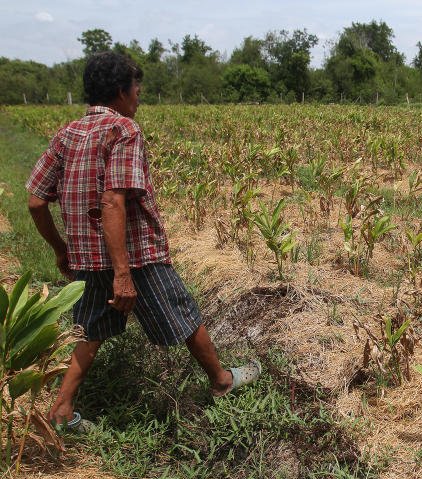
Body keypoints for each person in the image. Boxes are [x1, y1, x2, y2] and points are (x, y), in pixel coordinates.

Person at [26, 51, 260, 428]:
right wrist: (122, 272)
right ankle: (222, 380)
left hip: (86, 257)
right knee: (181, 311)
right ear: (121, 91)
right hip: (134, 255)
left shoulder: (67, 133)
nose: (139, 97)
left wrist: (61, 251)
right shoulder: (124, 130)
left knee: (91, 327)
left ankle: (62, 409)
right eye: (136, 89)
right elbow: (112, 201)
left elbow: (37, 200)